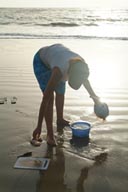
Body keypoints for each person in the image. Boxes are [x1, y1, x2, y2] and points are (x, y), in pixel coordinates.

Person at [32, 43, 100, 146]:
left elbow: (85, 81)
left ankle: (60, 119)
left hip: (58, 56)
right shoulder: (59, 71)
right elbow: (45, 99)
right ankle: (50, 134)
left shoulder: (80, 66)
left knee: (60, 92)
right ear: (69, 74)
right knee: (49, 98)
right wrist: (39, 127)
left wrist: (95, 99)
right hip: (42, 61)